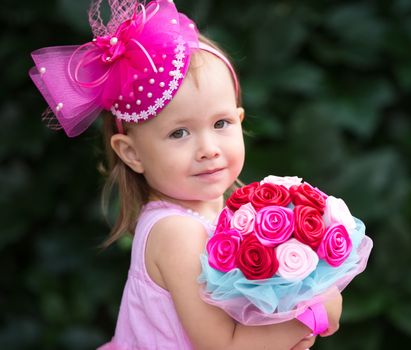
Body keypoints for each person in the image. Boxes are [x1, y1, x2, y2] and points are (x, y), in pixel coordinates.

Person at [29, 0, 343, 349]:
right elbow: (224, 346)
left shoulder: (227, 211)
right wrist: (310, 314)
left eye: (220, 123)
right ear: (131, 153)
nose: (208, 148)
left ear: (240, 120)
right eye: (179, 133)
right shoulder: (177, 233)